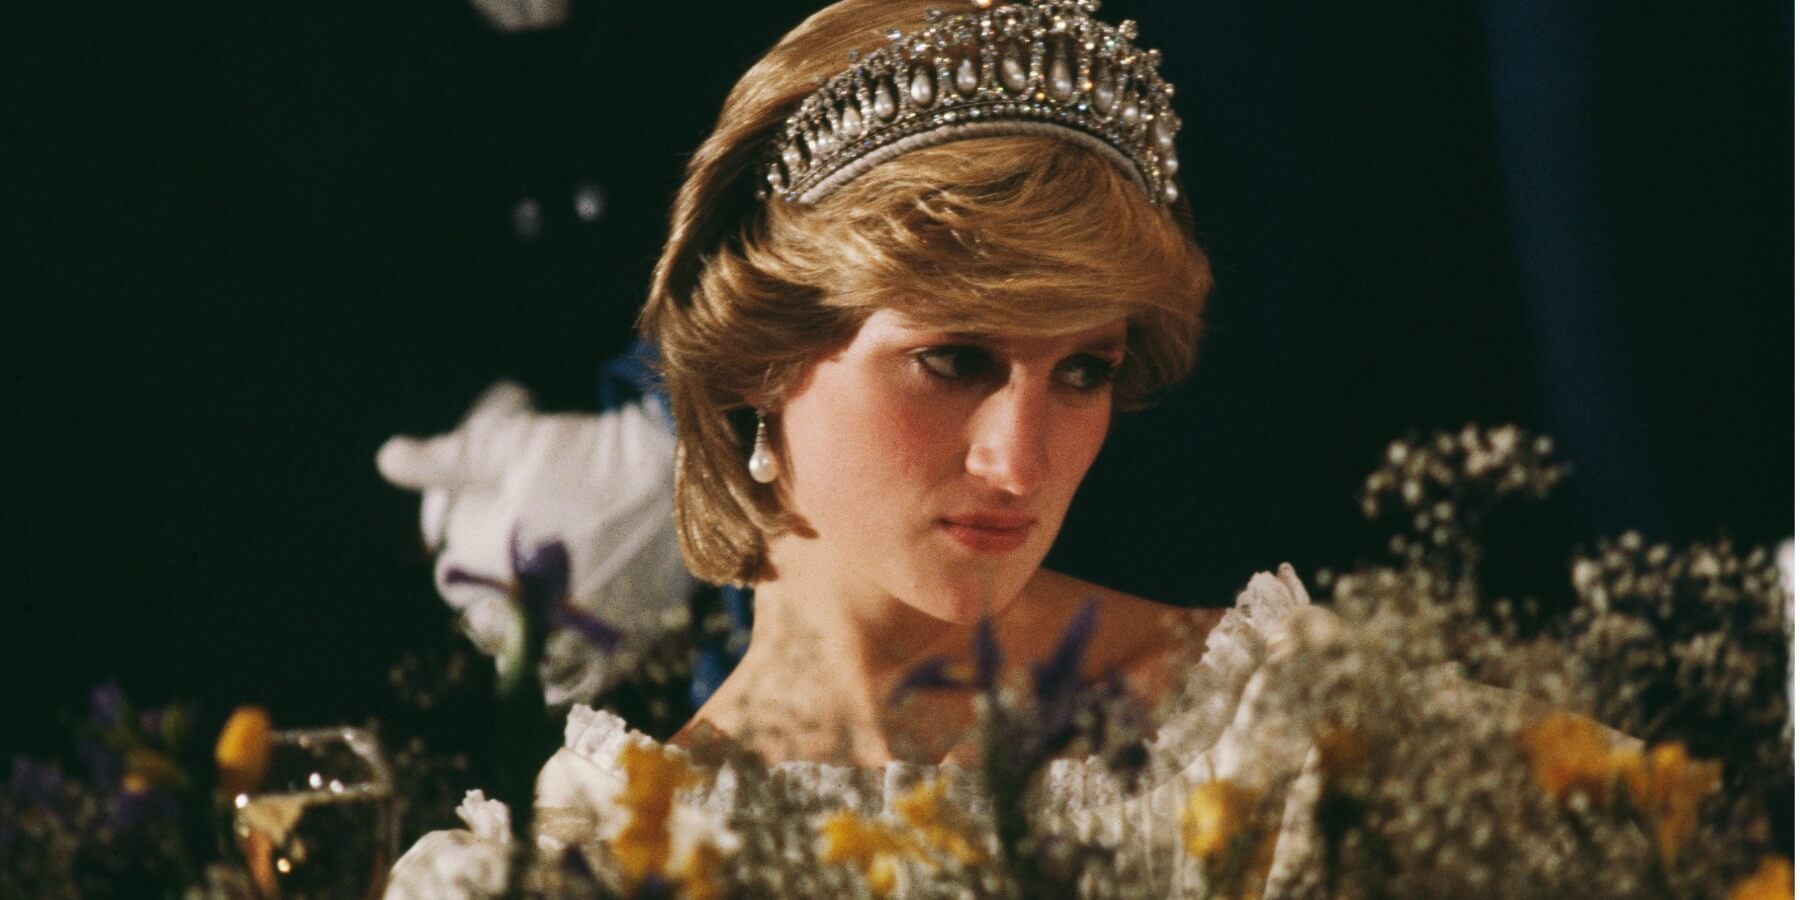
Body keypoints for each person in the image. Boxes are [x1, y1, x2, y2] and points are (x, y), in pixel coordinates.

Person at [384, 0, 1333, 894]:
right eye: (954, 359)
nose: (1021, 464)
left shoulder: (1276, 725)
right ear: (759, 357)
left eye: (1084, 373)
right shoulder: (592, 857)